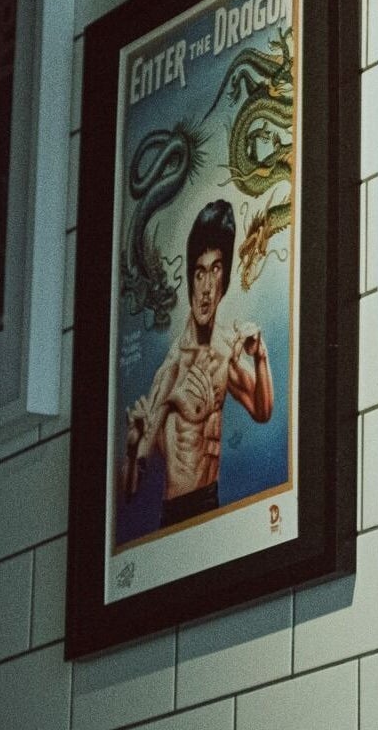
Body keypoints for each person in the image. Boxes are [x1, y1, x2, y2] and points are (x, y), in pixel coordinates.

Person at [123, 200, 274, 529]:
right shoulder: (173, 368)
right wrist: (134, 448)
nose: (206, 288)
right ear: (191, 279)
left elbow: (262, 410)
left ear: (225, 279)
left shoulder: (224, 349)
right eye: (199, 272)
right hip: (178, 511)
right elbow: (131, 487)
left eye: (216, 270)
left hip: (212, 500)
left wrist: (261, 357)